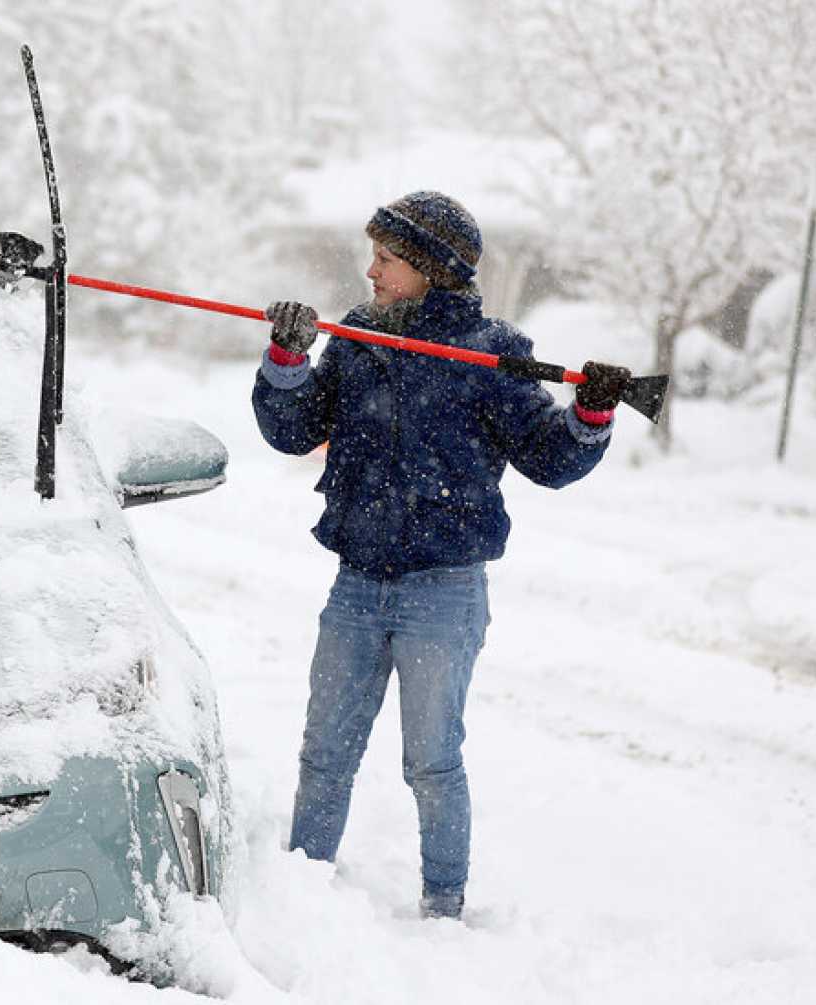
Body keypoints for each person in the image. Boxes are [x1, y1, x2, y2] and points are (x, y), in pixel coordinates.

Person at [251, 191, 630, 920]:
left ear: (430, 267)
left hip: (443, 591)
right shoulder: (359, 336)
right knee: (324, 755)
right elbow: (295, 430)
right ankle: (299, 900)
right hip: (356, 583)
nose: (371, 271)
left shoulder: (491, 354)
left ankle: (444, 908)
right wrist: (287, 360)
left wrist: (590, 414)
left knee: (431, 762)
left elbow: (549, 457)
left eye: (387, 259)